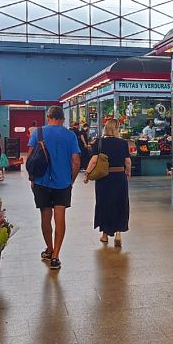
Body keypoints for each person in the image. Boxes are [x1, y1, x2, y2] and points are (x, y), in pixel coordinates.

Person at [27, 106, 81, 270]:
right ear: (63, 119)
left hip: (42, 182)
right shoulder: (70, 135)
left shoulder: (38, 133)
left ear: (48, 117)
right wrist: (71, 181)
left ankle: (49, 249)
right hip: (62, 182)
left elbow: (30, 159)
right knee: (60, 217)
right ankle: (56, 256)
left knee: (45, 216)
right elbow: (76, 162)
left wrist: (32, 179)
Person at [84, 118, 131, 247]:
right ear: (116, 129)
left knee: (104, 204)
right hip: (119, 178)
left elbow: (94, 160)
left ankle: (104, 235)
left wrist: (87, 173)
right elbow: (127, 161)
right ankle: (118, 234)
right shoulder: (122, 143)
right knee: (120, 204)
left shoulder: (99, 142)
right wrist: (127, 173)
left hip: (104, 178)